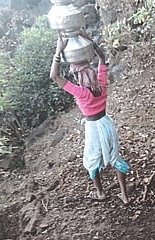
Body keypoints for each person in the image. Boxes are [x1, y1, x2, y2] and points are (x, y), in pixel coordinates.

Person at [49, 32, 130, 204]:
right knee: (115, 156)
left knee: (91, 160)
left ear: (79, 77)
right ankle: (124, 195)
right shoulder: (101, 84)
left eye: (76, 75)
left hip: (93, 128)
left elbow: (54, 76)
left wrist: (58, 51)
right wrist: (88, 40)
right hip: (106, 124)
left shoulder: (81, 92)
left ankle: (100, 192)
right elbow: (102, 58)